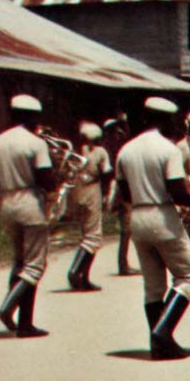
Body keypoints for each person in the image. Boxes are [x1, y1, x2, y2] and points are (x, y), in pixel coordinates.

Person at [115, 97, 190, 360]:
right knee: (186, 277)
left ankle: (159, 345)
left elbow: (124, 191)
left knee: (153, 285)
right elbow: (178, 191)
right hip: (163, 215)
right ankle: (163, 332)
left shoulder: (126, 150)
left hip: (138, 216)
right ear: (166, 121)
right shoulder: (169, 150)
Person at [0, 94, 57, 338]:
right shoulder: (35, 143)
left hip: (6, 202)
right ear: (33, 117)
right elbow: (46, 178)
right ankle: (9, 308)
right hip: (29, 202)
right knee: (35, 265)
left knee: (19, 262)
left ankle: (24, 322)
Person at [67, 121, 113, 291]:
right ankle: (75, 271)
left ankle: (84, 277)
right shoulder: (100, 152)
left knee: (85, 233)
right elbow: (107, 172)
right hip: (92, 191)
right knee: (93, 237)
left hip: (77, 192)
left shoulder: (75, 152)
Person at [103, 116, 139, 276]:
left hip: (119, 185)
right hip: (120, 186)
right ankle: (123, 264)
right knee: (126, 227)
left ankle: (123, 263)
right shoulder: (115, 147)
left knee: (127, 228)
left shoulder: (112, 146)